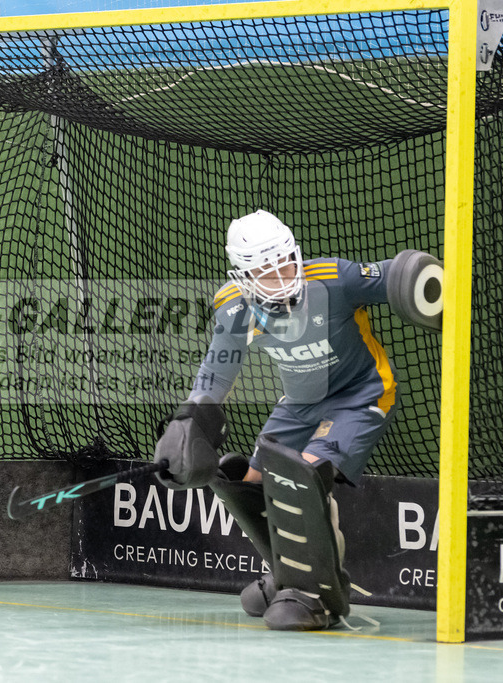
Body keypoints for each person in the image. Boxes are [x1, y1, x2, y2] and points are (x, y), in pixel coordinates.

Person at [153, 209, 442, 631]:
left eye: (285, 262)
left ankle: (317, 597)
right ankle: (290, 577)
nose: (282, 276)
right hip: (299, 404)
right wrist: (190, 422)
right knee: (249, 482)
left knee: (301, 476)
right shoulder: (234, 308)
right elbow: (218, 369)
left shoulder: (333, 279)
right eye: (266, 272)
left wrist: (419, 282)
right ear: (244, 276)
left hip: (360, 394)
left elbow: (396, 276)